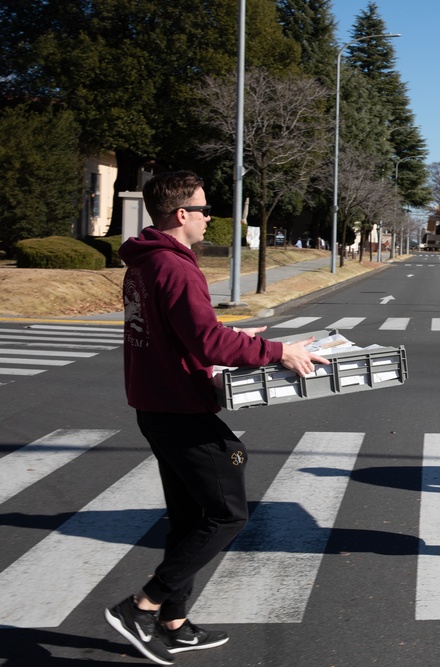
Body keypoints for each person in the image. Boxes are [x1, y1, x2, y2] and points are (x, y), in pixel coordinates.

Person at [106, 171, 329, 665]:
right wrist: (277, 351)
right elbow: (206, 343)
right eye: (205, 209)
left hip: (155, 401)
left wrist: (237, 333)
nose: (211, 217)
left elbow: (182, 330)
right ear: (181, 214)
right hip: (179, 405)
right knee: (227, 510)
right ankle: (141, 606)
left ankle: (173, 622)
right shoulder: (176, 268)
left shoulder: (145, 262)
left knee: (189, 516)